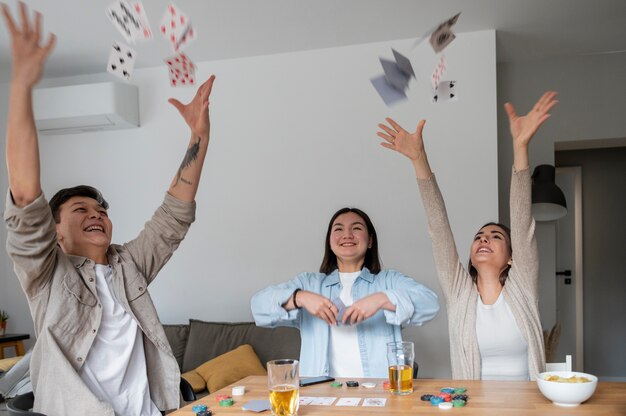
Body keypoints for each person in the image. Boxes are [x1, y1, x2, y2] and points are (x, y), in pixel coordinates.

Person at [2, 2, 216, 415]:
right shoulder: (46, 275)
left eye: (100, 208)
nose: (96, 213)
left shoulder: (128, 264)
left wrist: (198, 136)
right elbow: (26, 195)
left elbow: (174, 216)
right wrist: (20, 87)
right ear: (56, 232)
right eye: (80, 210)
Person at [375, 91, 558, 380]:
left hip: (528, 407)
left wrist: (520, 146)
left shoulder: (523, 286)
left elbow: (522, 223)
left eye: (496, 236)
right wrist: (418, 159)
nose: (484, 238)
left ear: (512, 258)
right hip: (474, 408)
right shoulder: (460, 292)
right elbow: (439, 229)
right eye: (479, 236)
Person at [251, 207, 440, 378]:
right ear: (330, 242)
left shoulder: (388, 281)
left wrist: (382, 299)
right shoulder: (309, 284)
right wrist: (299, 297)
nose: (347, 235)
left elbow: (431, 304)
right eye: (339, 229)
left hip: (379, 393)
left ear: (370, 241)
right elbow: (258, 307)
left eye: (356, 228)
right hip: (320, 395)